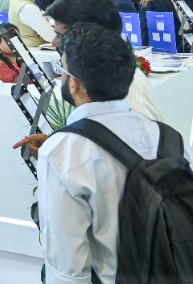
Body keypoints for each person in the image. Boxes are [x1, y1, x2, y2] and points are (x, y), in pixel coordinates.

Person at [37, 23, 193, 284]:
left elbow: (68, 270)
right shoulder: (171, 138)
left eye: (61, 69)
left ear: (74, 84)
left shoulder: (63, 152)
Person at [14, 0, 165, 161]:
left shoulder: (129, 99)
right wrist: (59, 147)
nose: (55, 42)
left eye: (61, 35)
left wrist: (60, 159)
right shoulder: (108, 79)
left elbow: (130, 167)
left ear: (89, 35)